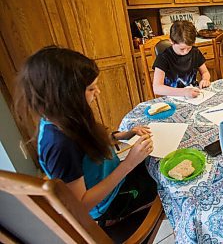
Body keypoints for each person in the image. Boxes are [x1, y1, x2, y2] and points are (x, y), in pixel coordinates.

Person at [15, 46, 157, 225]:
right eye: (91, 89)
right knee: (167, 185)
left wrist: (122, 136)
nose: (97, 92)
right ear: (65, 95)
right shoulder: (59, 145)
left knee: (155, 163)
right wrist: (129, 163)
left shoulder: (65, 115)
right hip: (108, 203)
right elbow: (80, 204)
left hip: (111, 175)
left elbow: (89, 144)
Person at [152, 20, 210, 98]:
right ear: (171, 41)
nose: (185, 52)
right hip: (172, 97)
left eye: (189, 48)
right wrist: (184, 92)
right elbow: (157, 88)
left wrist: (205, 79)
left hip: (193, 95)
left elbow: (205, 72)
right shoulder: (163, 58)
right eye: (182, 49)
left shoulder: (195, 52)